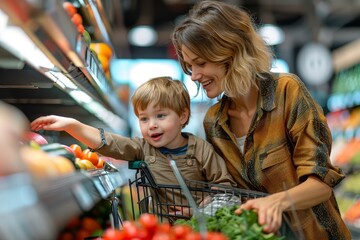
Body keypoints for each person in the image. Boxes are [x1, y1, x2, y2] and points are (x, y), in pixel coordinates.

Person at [171, 1, 351, 239]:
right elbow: (232, 195)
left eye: (201, 63)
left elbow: (321, 184)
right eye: (189, 66)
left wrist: (277, 202)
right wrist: (203, 209)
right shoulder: (214, 122)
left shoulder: (287, 92)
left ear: (231, 52)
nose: (194, 76)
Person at [30, 76, 236, 218]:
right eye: (143, 119)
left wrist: (199, 210)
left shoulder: (202, 149)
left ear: (182, 116)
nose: (151, 125)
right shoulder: (143, 147)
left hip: (200, 229)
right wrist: (72, 125)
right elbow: (110, 143)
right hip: (160, 228)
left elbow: (225, 189)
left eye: (161, 116)